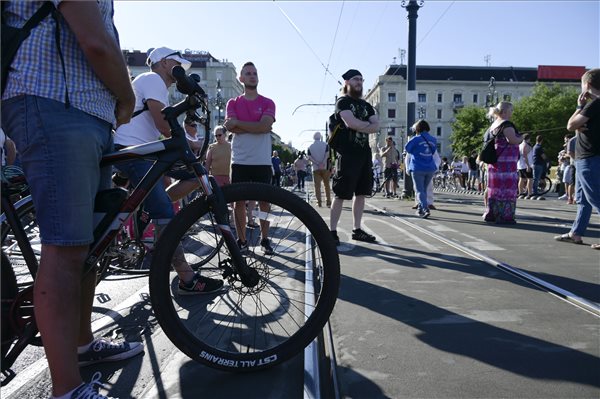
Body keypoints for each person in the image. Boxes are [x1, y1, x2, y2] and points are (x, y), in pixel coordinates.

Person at [1, 2, 141, 398]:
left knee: (86, 249)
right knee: (65, 252)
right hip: (51, 99)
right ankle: (67, 389)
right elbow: (94, 42)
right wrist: (127, 97)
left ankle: (82, 346)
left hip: (84, 109)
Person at [114, 47, 224, 294]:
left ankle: (145, 208)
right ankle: (187, 279)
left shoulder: (156, 85)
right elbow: (162, 123)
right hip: (134, 150)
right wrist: (191, 143)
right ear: (163, 63)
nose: (180, 70)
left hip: (145, 151)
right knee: (165, 210)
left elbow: (166, 121)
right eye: (177, 64)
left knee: (196, 176)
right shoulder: (152, 79)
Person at [224, 61, 276, 255]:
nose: (252, 75)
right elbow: (230, 127)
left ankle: (265, 239)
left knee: (264, 203)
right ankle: (242, 240)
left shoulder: (268, 102)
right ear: (241, 78)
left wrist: (240, 124)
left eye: (255, 73)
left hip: (262, 161)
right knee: (239, 202)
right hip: (240, 160)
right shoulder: (233, 103)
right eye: (248, 73)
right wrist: (257, 126)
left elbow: (264, 126)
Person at [329, 69, 379, 245]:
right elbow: (350, 123)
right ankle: (332, 231)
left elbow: (376, 126)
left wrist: (359, 126)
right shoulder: (342, 102)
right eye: (355, 79)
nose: (359, 82)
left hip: (364, 154)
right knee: (340, 194)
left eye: (361, 79)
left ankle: (357, 229)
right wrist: (365, 125)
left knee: (362, 194)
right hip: (347, 154)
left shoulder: (367, 106)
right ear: (347, 83)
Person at [554, 68, 600, 250]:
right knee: (583, 199)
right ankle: (576, 233)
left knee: (595, 197)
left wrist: (579, 107)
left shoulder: (595, 104)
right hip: (585, 157)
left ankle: (576, 233)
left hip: (590, 157)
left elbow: (571, 124)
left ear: (587, 85)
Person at [482, 101, 523, 224]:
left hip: (494, 163)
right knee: (507, 189)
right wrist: (521, 138)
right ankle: (505, 215)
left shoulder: (493, 125)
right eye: (511, 110)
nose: (512, 113)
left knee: (494, 188)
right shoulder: (506, 125)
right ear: (504, 111)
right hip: (506, 164)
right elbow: (513, 140)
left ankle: (492, 213)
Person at [405, 119, 437, 218]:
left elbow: (407, 149)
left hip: (417, 167)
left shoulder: (415, 139)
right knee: (423, 190)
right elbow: (433, 151)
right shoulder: (433, 139)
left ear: (417, 129)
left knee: (420, 190)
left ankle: (425, 208)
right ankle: (420, 209)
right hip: (430, 168)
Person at [307, 131, 332, 207]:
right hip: (325, 167)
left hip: (315, 168)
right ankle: (328, 201)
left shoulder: (310, 147)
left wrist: (317, 163)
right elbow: (327, 155)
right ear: (320, 137)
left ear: (313, 138)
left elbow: (309, 157)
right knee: (326, 185)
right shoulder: (325, 145)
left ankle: (319, 202)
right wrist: (323, 162)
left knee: (317, 186)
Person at [517, 133, 534, 199]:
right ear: (528, 138)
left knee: (521, 179)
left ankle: (521, 192)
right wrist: (528, 166)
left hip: (520, 165)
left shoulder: (519, 145)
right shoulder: (525, 145)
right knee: (530, 179)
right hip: (526, 164)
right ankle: (529, 193)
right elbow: (525, 156)